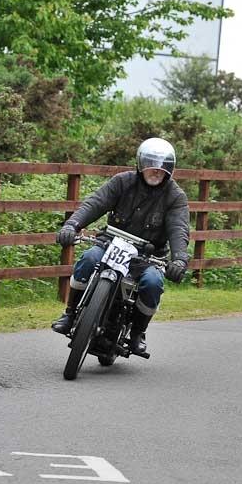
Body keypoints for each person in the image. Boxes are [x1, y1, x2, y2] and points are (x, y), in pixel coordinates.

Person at [51, 137, 190, 354]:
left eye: (162, 167)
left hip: (146, 256)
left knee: (153, 283)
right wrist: (72, 226)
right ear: (141, 164)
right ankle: (70, 314)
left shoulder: (175, 197)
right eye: (151, 165)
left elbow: (178, 229)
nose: (156, 171)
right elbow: (95, 203)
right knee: (88, 259)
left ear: (169, 170)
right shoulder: (122, 182)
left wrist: (180, 259)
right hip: (110, 243)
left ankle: (137, 333)